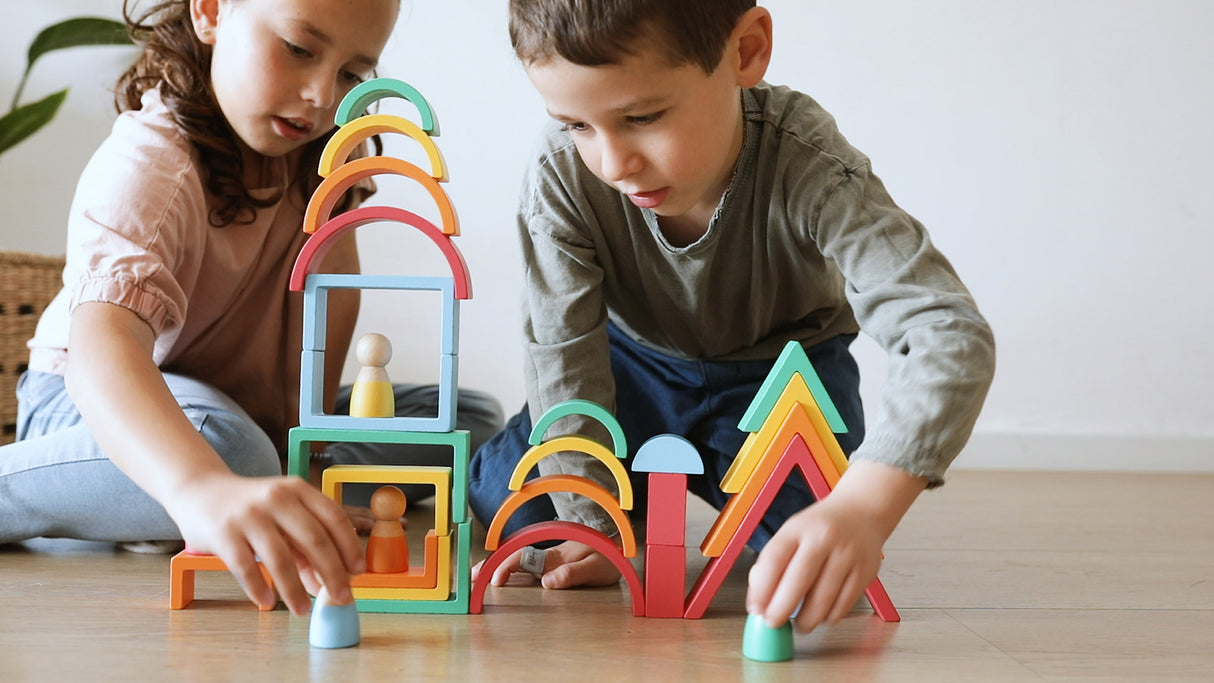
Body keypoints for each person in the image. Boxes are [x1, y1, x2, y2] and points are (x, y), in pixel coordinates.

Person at [468, 0, 995, 634]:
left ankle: (668, 492)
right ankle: (612, 494)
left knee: (804, 562)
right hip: (629, 371)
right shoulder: (562, 176)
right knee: (508, 500)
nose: (613, 164)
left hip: (783, 382)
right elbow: (562, 349)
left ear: (744, 52)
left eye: (643, 116)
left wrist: (864, 508)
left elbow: (945, 331)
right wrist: (592, 524)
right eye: (577, 125)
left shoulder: (811, 167)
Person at [0, 0, 502, 617]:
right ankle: (182, 490)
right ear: (211, 12)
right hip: (96, 404)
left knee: (466, 421)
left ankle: (261, 486)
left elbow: (335, 292)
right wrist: (201, 486)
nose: (322, 94)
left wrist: (311, 446)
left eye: (351, 73)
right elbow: (103, 348)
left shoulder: (329, 154)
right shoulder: (152, 163)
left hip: (248, 414)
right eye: (298, 49)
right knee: (233, 452)